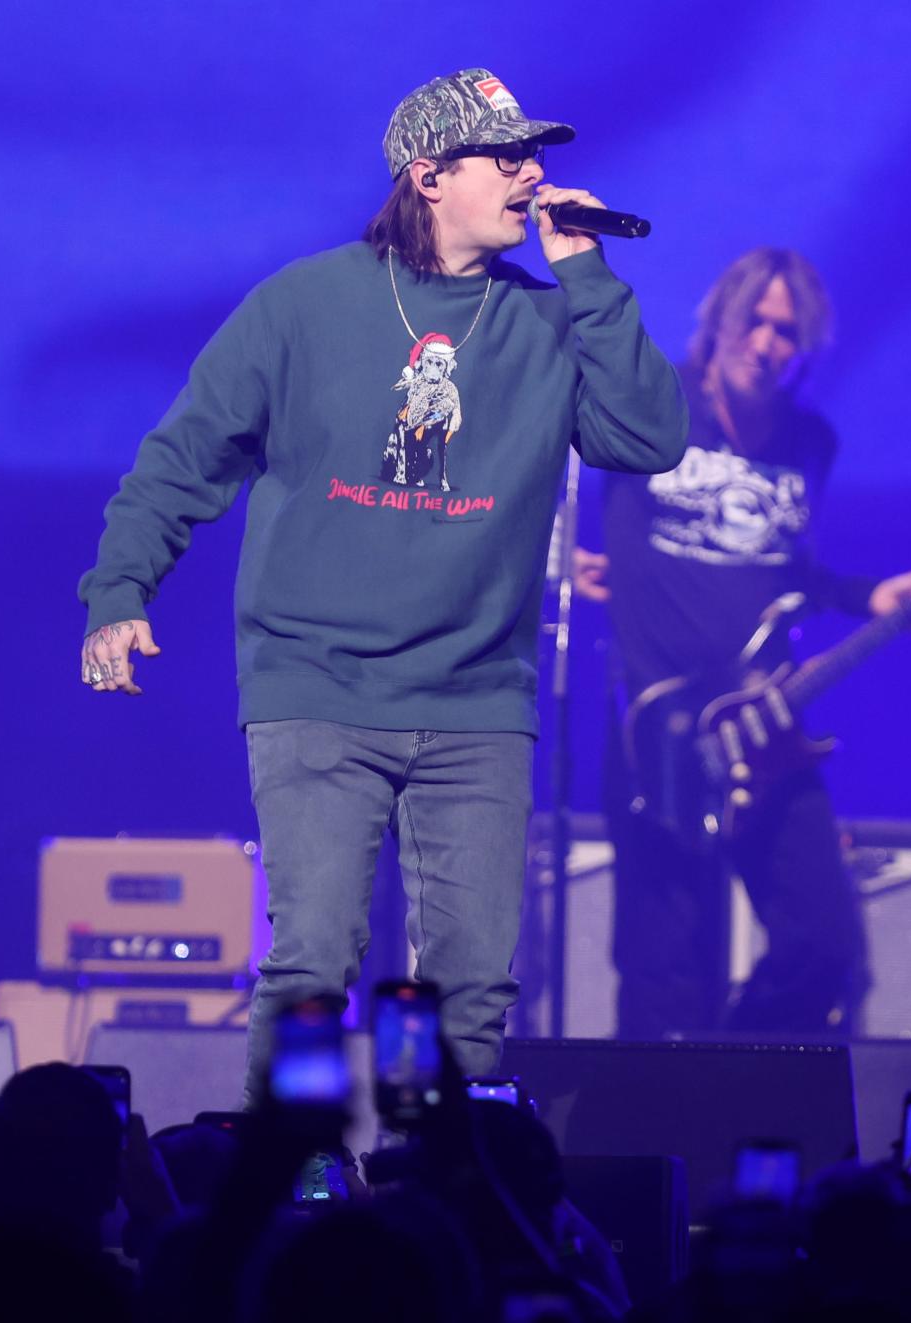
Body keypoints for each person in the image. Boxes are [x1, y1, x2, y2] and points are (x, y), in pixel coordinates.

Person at [78, 68, 688, 1100]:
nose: (534, 173)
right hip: (318, 685)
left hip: (477, 699)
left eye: (535, 156)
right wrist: (118, 594)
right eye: (507, 157)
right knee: (315, 957)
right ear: (429, 176)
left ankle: (433, 1171)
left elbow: (649, 437)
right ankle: (297, 1167)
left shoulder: (546, 321)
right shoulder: (305, 304)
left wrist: (587, 273)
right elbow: (183, 458)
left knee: (467, 984)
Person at [580, 247, 911, 1037]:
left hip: (767, 724)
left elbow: (789, 568)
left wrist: (865, 596)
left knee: (825, 944)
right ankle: (660, 1149)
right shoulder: (655, 400)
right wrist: (559, 561)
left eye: (788, 332)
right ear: (721, 319)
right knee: (662, 973)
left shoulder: (810, 441)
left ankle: (735, 1082)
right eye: (756, 321)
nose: (767, 343)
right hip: (661, 730)